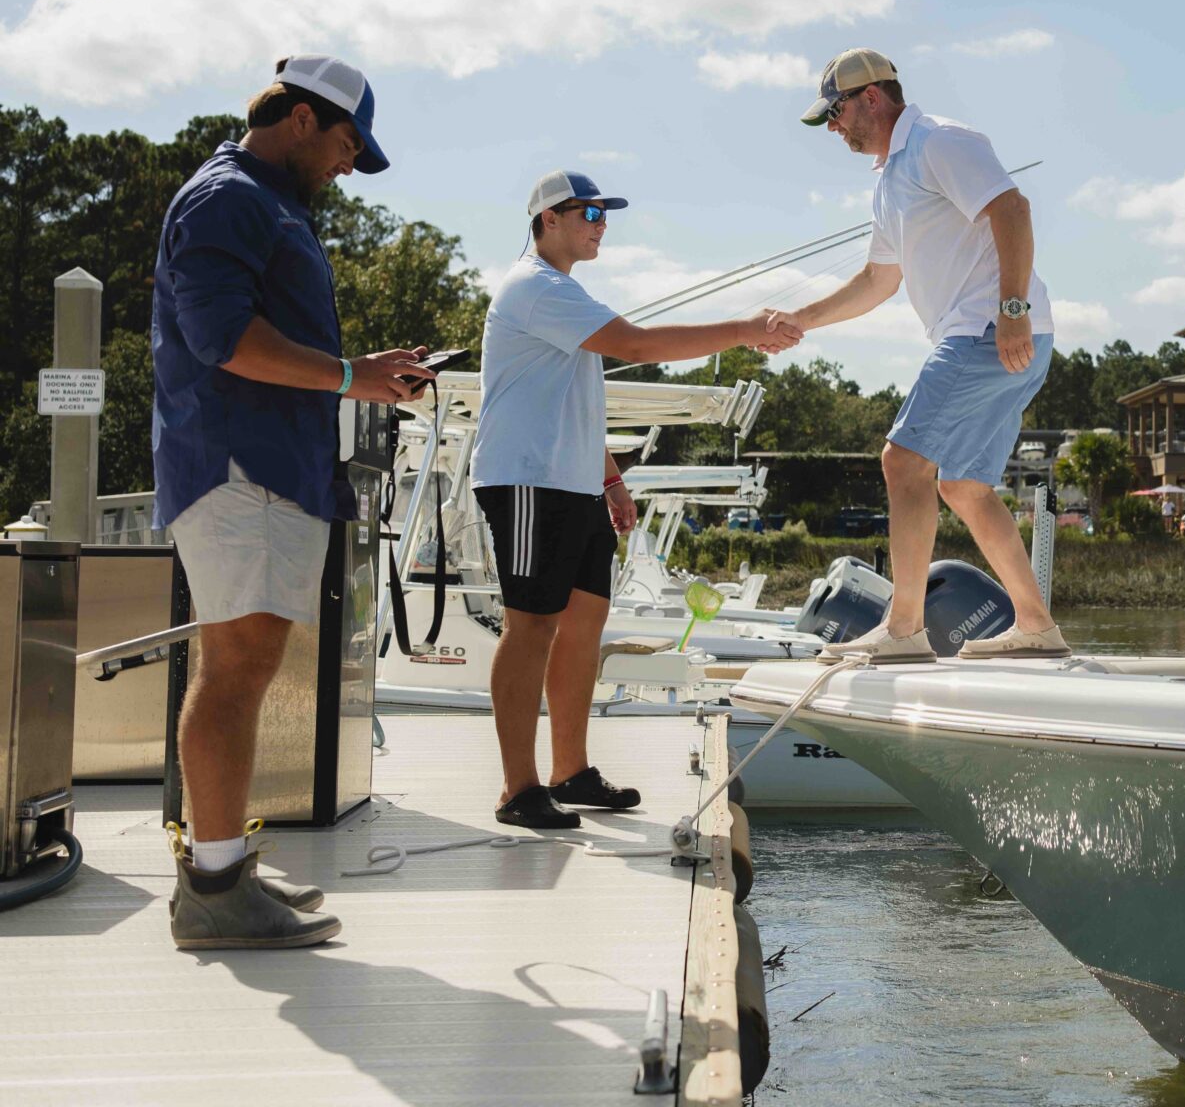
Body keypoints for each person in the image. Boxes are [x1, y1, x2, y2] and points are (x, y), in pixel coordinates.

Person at [153, 54, 430, 949]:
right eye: (351, 143)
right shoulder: (229, 196)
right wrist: (355, 377)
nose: (351, 164)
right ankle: (214, 892)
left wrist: (359, 375)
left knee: (239, 663)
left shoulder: (264, 202)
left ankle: (223, 868)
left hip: (264, 466)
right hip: (239, 465)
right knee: (237, 666)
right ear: (303, 120)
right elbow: (224, 338)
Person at [470, 169, 801, 828]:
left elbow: (569, 402)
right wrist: (744, 329)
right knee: (530, 627)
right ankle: (518, 788)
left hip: (571, 482)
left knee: (585, 624)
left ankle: (570, 772)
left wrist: (611, 479)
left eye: (604, 212)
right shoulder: (535, 286)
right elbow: (640, 346)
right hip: (529, 479)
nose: (600, 222)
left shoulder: (564, 292)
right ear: (548, 220)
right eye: (587, 211)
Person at [769, 49, 1062, 663]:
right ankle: (1035, 624)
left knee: (903, 463)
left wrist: (1012, 311)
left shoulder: (936, 141)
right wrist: (804, 319)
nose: (832, 126)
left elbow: (1012, 209)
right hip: (995, 332)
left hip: (987, 328)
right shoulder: (887, 179)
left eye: (837, 111)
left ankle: (903, 630)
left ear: (872, 97)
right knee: (965, 487)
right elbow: (878, 281)